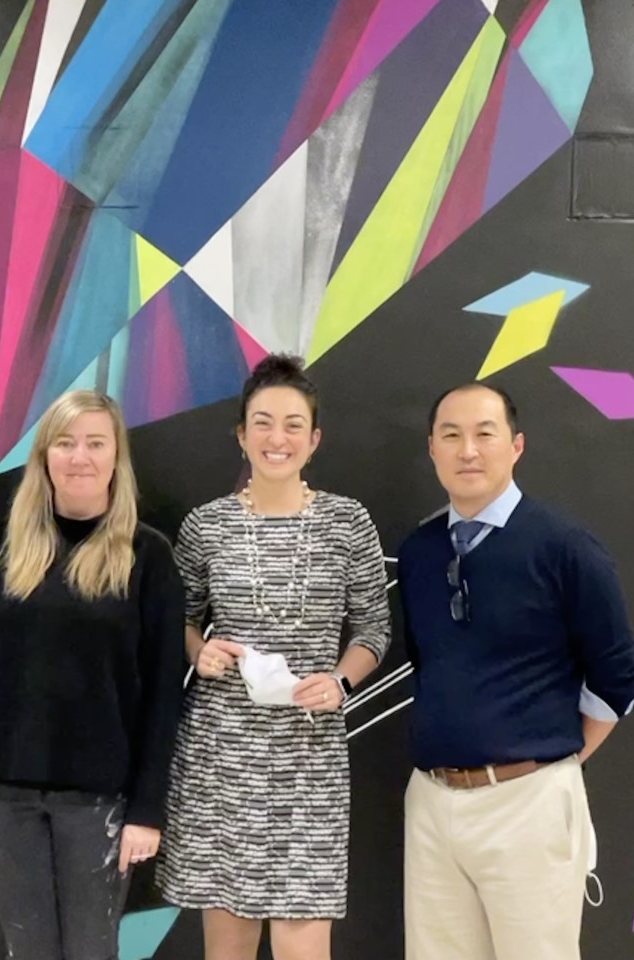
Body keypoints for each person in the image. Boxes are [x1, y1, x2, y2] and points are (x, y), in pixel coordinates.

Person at [396, 382, 634, 960]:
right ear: (431, 448)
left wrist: (553, 761)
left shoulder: (564, 546)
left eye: (485, 434)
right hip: (432, 802)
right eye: (451, 435)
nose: (468, 450)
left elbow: (618, 674)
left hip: (528, 803)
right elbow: (427, 662)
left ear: (517, 445)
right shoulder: (420, 552)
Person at [156, 354, 391, 960]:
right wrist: (200, 651)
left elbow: (373, 629)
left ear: (314, 439)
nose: (276, 438)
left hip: (309, 757)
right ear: (241, 434)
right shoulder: (206, 525)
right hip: (221, 752)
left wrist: (340, 681)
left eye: (293, 425)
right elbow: (179, 619)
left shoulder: (348, 522)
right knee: (227, 944)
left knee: (303, 941)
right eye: (262, 423)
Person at [0, 390, 186, 960]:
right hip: (4, 792)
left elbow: (163, 694)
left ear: (117, 456)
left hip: (99, 800)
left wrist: (147, 810)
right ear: (44, 456)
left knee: (90, 951)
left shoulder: (148, 557)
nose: (80, 457)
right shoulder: (3, 548)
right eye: (65, 443)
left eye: (96, 443)